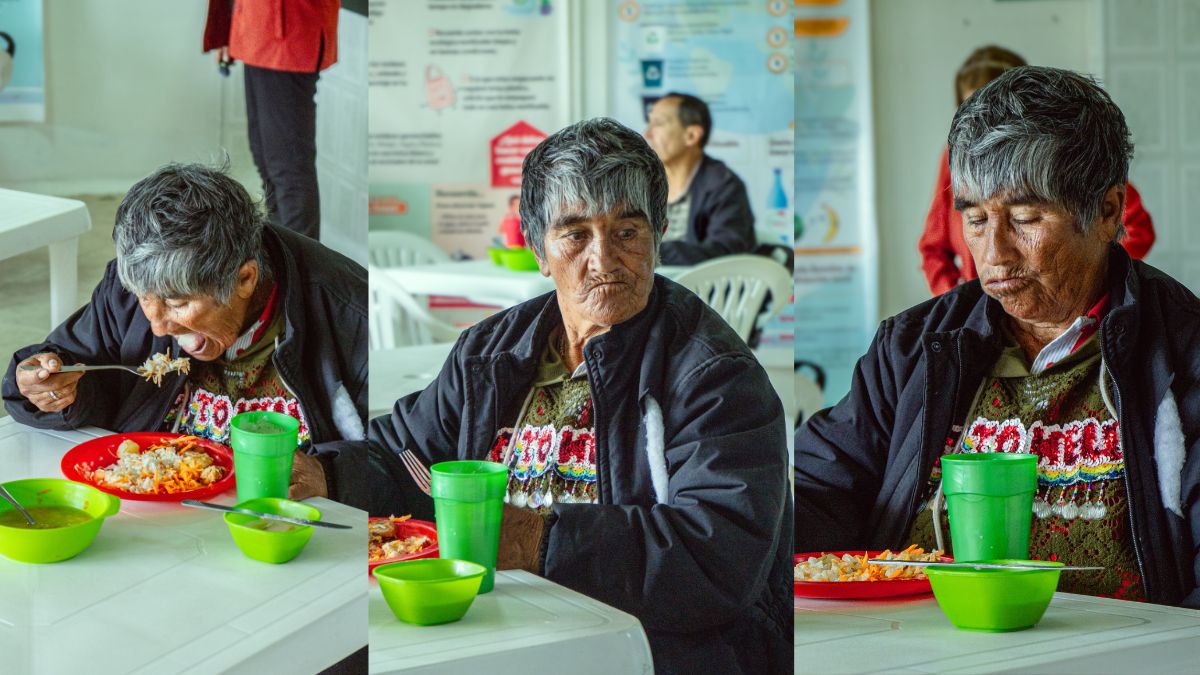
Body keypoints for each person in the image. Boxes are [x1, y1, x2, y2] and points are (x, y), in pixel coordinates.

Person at [327, 119, 790, 673]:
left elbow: (716, 558)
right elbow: (404, 459)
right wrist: (323, 476)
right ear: (539, 251)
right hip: (486, 636)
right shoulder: (489, 353)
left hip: (645, 651)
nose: (604, 260)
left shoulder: (714, 375)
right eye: (575, 234)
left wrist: (537, 540)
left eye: (627, 231)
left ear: (658, 236)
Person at [796, 66, 1200, 608]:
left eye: (1027, 218)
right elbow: (816, 485)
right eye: (977, 220)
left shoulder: (1182, 352)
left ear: (1107, 211)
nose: (994, 256)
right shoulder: (915, 347)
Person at [2, 163, 368, 502]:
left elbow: (408, 447)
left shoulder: (349, 311)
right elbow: (74, 363)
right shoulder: (136, 281)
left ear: (244, 279)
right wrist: (51, 389)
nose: (159, 325)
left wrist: (332, 474)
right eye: (145, 300)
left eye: (178, 304)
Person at [919, 45, 1156, 295]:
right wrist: (958, 301)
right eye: (977, 219)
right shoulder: (953, 161)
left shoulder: (1065, 151)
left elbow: (1137, 228)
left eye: (1025, 217)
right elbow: (933, 248)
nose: (987, 132)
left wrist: (1091, 279)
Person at [203, 0, 340, 240]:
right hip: (255, 28)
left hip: (290, 31)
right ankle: (281, 259)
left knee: (289, 170)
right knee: (266, 161)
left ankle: (302, 269)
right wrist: (227, 29)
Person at [643, 92, 756, 265]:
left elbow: (727, 252)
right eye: (649, 123)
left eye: (658, 124)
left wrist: (651, 251)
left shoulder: (724, 185)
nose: (647, 134)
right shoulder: (642, 182)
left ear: (691, 136)